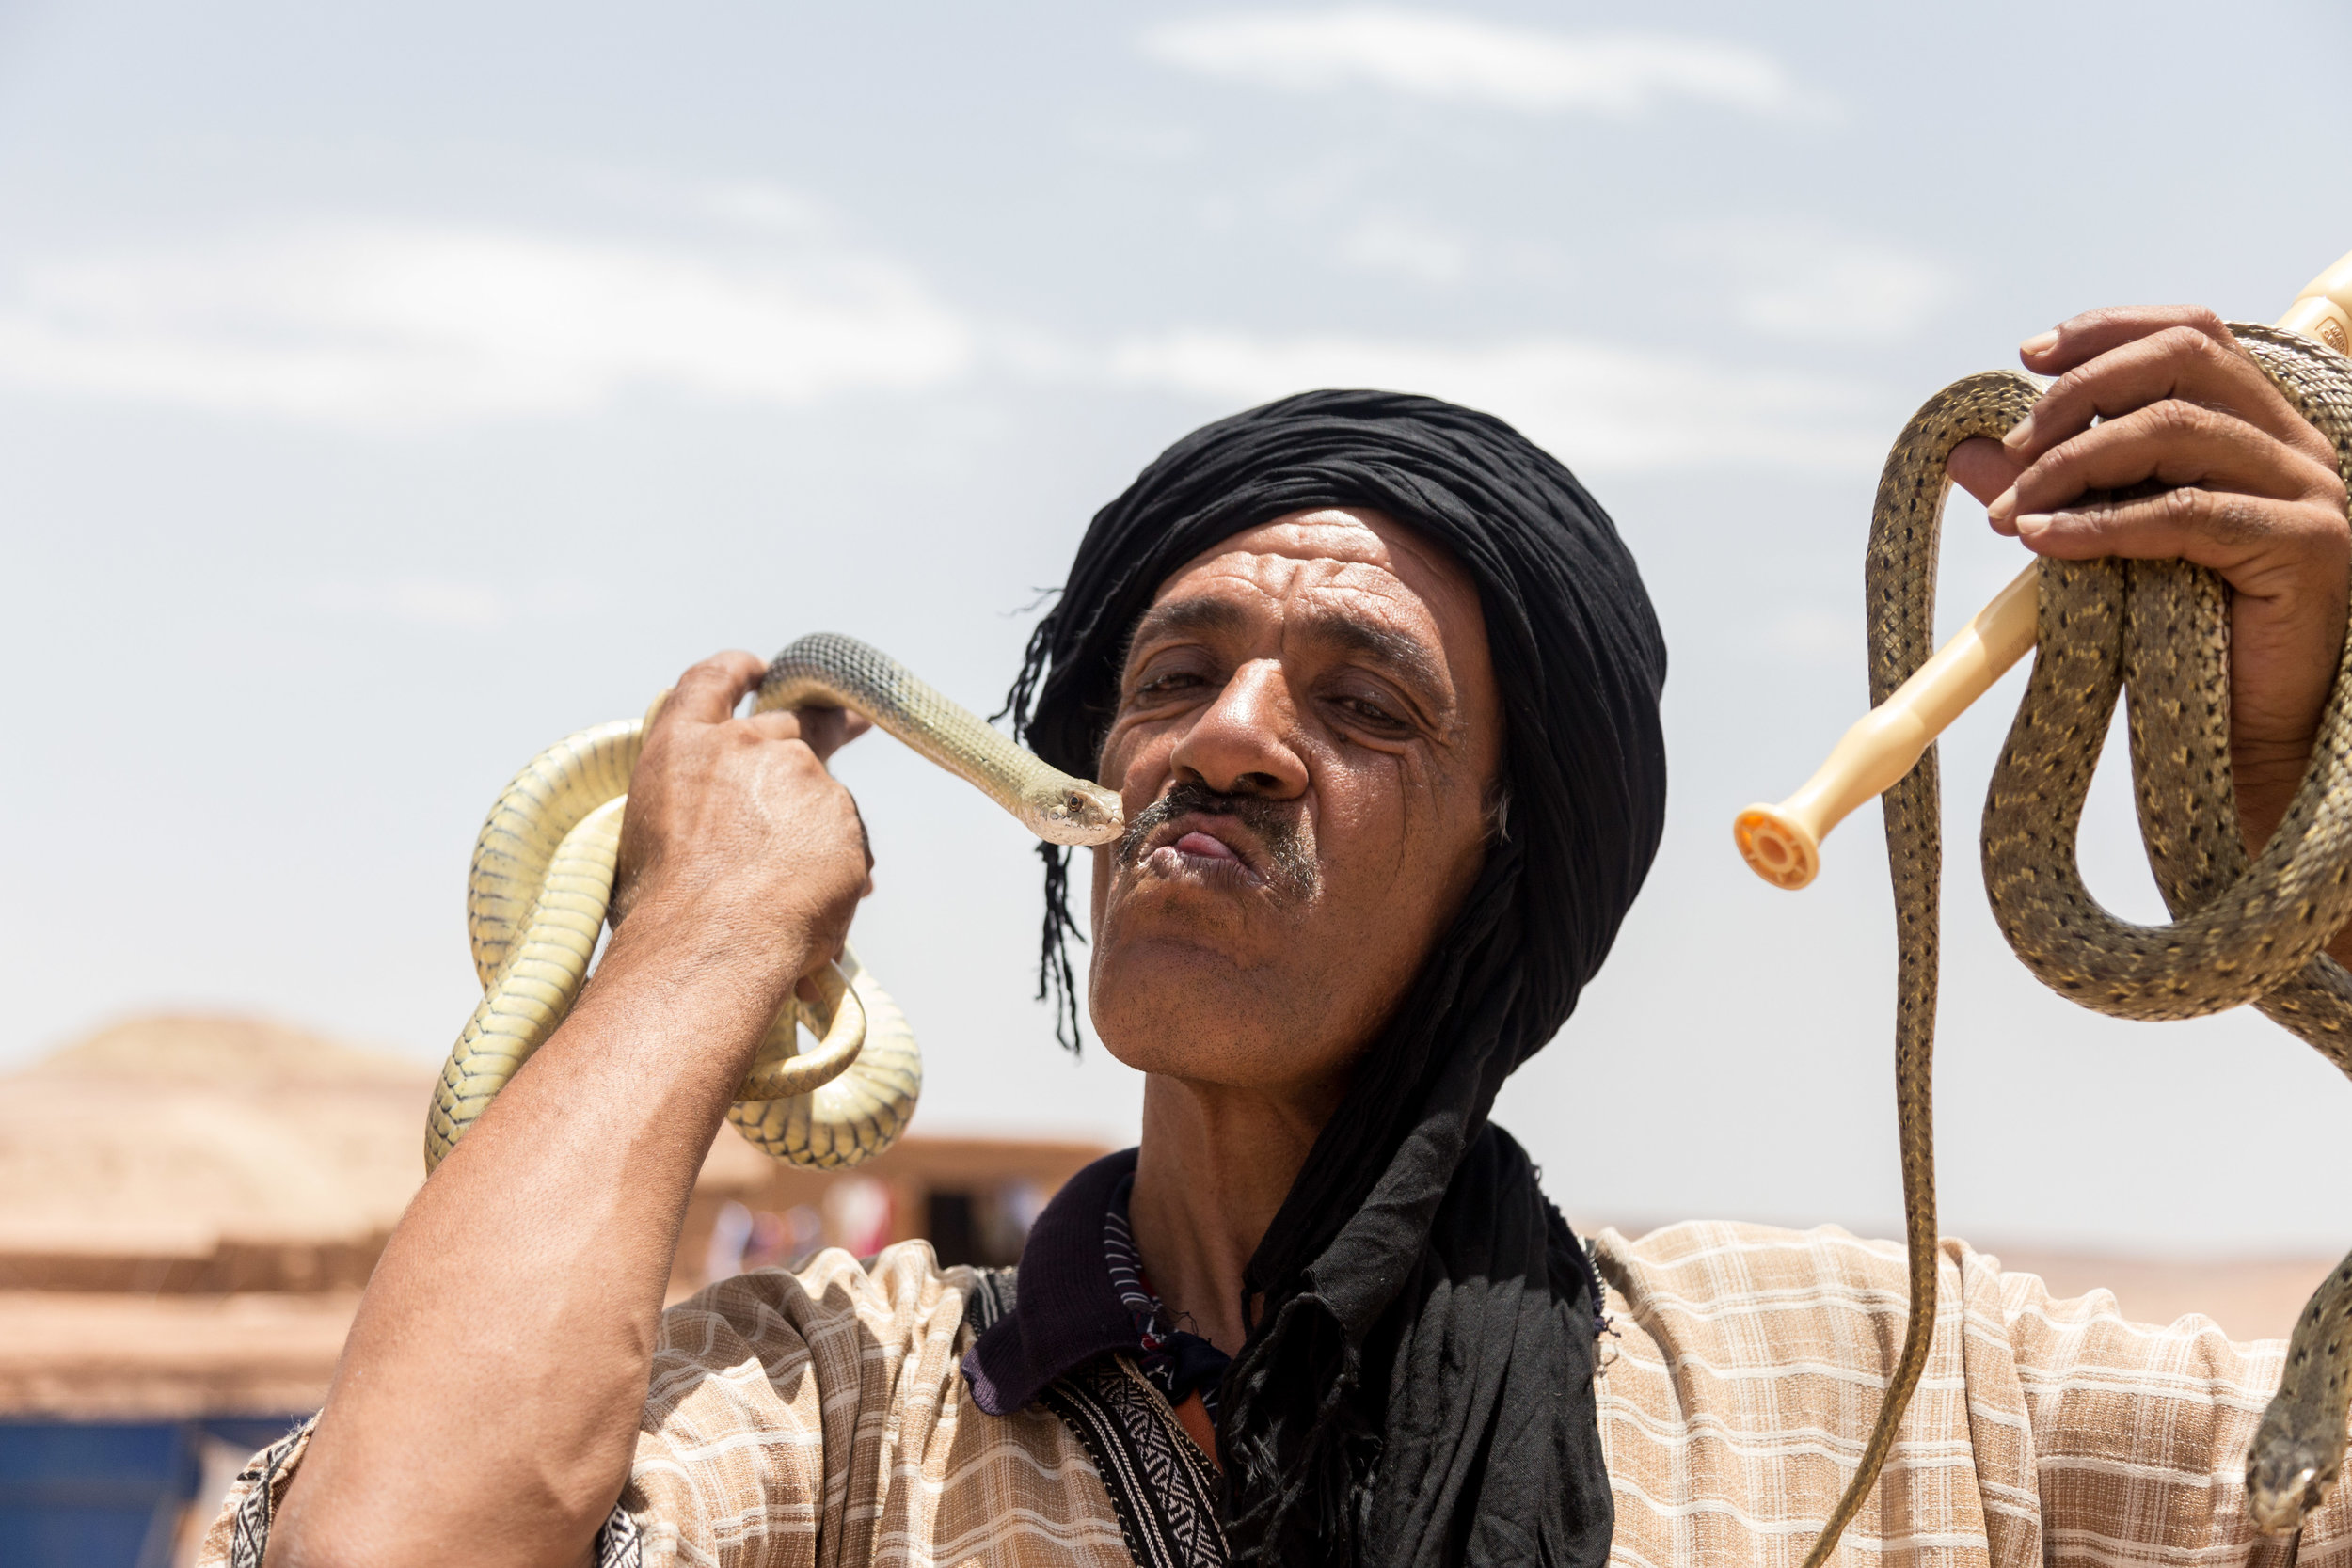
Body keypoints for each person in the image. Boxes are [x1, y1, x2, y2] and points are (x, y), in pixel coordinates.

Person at [207, 305, 2352, 1568]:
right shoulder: (847, 1418)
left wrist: (2287, 803)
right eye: (1174, 675)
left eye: (1360, 702)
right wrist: (696, 939)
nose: (1228, 737)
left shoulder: (1888, 1384)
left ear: (1505, 859)